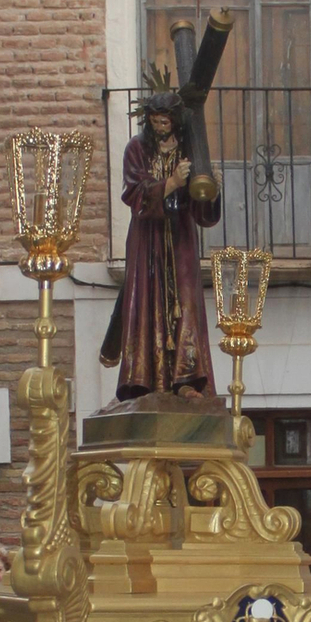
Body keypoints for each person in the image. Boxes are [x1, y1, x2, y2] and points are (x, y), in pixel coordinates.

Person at [98, 87, 221, 400]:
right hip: (147, 242)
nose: (159, 127)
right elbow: (134, 193)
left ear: (175, 121)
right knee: (146, 303)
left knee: (186, 303)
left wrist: (210, 190)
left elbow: (202, 213)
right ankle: (144, 380)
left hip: (180, 241)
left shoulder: (189, 152)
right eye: (154, 121)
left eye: (165, 121)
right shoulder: (137, 149)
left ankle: (187, 378)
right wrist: (171, 183)